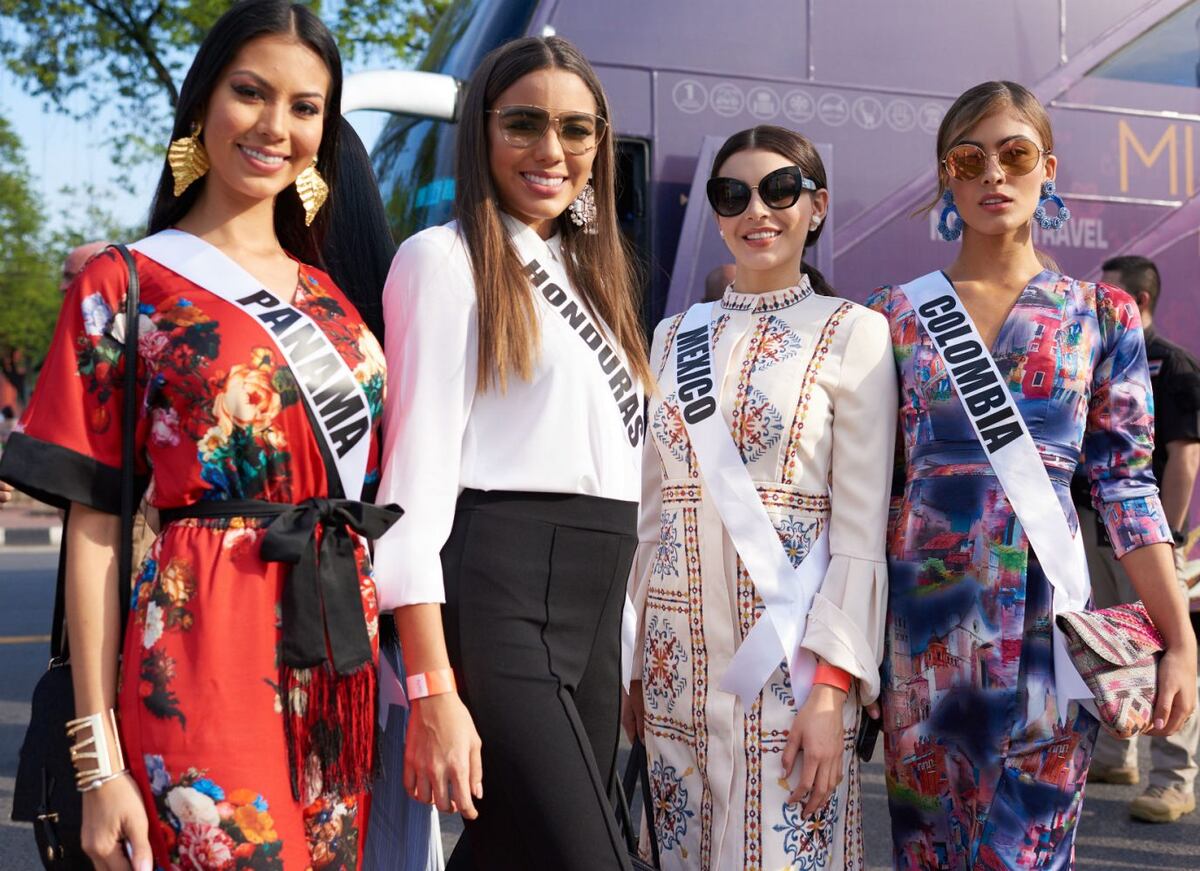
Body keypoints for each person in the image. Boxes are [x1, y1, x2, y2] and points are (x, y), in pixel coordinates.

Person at [0, 2, 402, 867]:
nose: (275, 126)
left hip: (335, 664)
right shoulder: (127, 280)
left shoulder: (334, 300)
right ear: (200, 106)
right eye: (250, 92)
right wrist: (96, 757)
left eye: (305, 108)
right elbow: (96, 526)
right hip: (201, 645)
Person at [868, 80, 1198, 868]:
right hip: (925, 635)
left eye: (1015, 154)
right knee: (930, 855)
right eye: (969, 158)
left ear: (1047, 168)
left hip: (1050, 634)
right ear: (946, 174)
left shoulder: (1100, 314)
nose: (994, 176)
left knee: (1027, 853)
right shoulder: (890, 317)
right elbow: (869, 494)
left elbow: (1126, 487)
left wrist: (1180, 641)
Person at [372, 35, 651, 870]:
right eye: (524, 123)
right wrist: (432, 690)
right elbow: (409, 499)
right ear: (481, 133)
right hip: (502, 593)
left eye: (577, 129)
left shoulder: (597, 278)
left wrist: (630, 646)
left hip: (597, 604)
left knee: (515, 850)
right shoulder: (444, 260)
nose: (552, 150)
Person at [626, 125, 896, 869]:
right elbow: (652, 520)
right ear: (715, 211)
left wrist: (832, 692)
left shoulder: (854, 333)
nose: (758, 210)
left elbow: (859, 534)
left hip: (792, 671)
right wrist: (633, 666)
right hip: (675, 665)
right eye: (733, 193)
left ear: (817, 206)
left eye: (781, 190)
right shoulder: (673, 334)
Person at [1079, 254, 1200, 822]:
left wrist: (1171, 536)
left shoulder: (1173, 366)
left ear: (1140, 301)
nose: (1097, 300)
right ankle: (1115, 753)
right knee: (1108, 633)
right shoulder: (1088, 351)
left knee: (1164, 641)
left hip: (1144, 532)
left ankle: (1175, 777)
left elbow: (1184, 456)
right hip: (1088, 521)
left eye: (1111, 292)